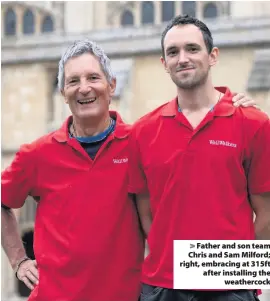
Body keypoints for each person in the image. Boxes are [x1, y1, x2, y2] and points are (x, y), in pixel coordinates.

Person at [1, 38, 258, 301]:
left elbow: (200, 178)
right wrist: (19, 261)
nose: (84, 88)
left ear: (112, 85)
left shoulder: (142, 140)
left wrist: (237, 111)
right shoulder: (37, 154)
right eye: (73, 81)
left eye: (93, 77)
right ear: (62, 93)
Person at [128, 15, 270, 301]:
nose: (183, 58)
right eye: (173, 52)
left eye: (192, 49)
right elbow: (145, 213)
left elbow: (267, 215)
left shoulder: (254, 123)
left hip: (231, 287)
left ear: (212, 56)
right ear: (164, 63)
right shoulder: (142, 131)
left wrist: (223, 269)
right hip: (161, 287)